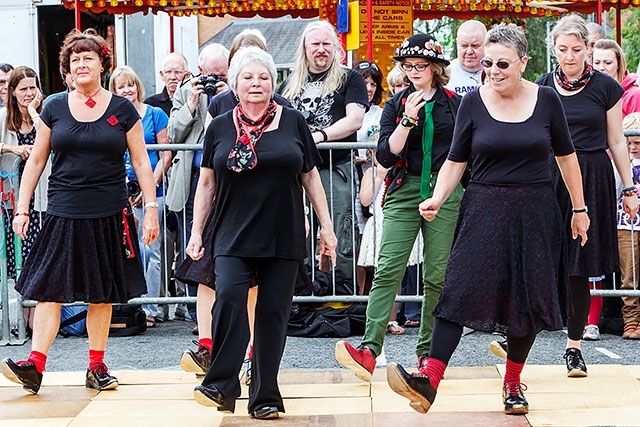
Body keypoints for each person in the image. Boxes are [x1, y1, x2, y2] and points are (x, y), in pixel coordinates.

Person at [385, 23, 589, 416]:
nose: (493, 70)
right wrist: (436, 198)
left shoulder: (546, 100)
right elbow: (455, 160)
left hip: (536, 211)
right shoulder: (473, 103)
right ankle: (428, 380)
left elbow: (567, 159)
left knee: (524, 300)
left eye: (502, 64)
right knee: (457, 290)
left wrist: (579, 211)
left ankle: (513, 383)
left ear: (523, 62)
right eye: (488, 63)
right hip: (484, 208)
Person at [0, 29, 159, 395]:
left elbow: (141, 160)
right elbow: (37, 159)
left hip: (108, 211)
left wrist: (150, 208)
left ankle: (97, 365)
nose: (82, 64)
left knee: (101, 294)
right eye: (75, 60)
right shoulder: (54, 106)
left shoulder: (122, 109)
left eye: (88, 57)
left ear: (103, 64)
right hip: (63, 210)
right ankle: (35, 365)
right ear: (67, 70)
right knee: (49, 289)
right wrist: (22, 208)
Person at [188, 47, 337, 420]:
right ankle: (222, 384)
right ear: (234, 84)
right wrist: (196, 231)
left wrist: (327, 228)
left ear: (273, 83)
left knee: (272, 314)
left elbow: (311, 176)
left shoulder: (294, 121)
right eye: (248, 77)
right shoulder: (220, 125)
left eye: (264, 77)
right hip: (231, 232)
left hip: (282, 232)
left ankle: (265, 395)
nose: (256, 84)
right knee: (229, 299)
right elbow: (206, 183)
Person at [335, 33, 463, 383]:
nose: (414, 72)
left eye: (420, 66)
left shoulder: (455, 104)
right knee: (387, 267)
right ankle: (369, 349)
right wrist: (407, 120)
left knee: (436, 275)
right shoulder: (396, 103)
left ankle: (427, 353)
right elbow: (386, 156)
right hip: (404, 187)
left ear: (436, 68)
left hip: (446, 188)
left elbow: (466, 152)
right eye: (407, 67)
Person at [176, 28, 291, 378]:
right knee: (207, 277)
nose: (254, 79)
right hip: (222, 205)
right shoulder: (220, 105)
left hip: (264, 209)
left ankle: (254, 354)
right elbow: (210, 157)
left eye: (261, 71)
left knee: (254, 284)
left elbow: (301, 168)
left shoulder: (283, 109)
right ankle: (208, 346)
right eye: (245, 65)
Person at [535, 14, 638, 377]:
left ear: (588, 48)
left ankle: (574, 348)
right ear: (553, 50)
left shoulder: (606, 88)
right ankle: (519, 332)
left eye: (577, 49)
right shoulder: (542, 86)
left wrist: (629, 187)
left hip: (592, 176)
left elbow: (616, 141)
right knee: (539, 260)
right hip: (548, 177)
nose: (569, 56)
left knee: (579, 266)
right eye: (562, 50)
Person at [278, 20, 368, 281]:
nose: (321, 49)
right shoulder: (288, 85)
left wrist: (317, 137)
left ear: (335, 48)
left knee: (340, 233)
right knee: (298, 234)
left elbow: (355, 119)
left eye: (326, 43)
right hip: (296, 172)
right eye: (315, 44)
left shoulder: (350, 78)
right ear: (304, 49)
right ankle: (300, 294)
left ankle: (343, 300)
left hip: (334, 168)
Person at [166, 43, 230, 325]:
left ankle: (223, 311)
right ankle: (197, 315)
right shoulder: (185, 92)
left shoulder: (236, 92)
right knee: (194, 244)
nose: (215, 82)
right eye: (211, 76)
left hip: (228, 181)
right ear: (200, 72)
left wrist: (227, 97)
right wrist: (192, 102)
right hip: (194, 182)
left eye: (223, 76)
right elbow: (173, 133)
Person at [109, 66, 172, 328]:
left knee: (151, 250)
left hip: (152, 192)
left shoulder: (155, 114)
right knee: (129, 252)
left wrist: (150, 185)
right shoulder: (112, 115)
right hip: (121, 193)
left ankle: (152, 307)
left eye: (130, 84)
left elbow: (166, 153)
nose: (127, 90)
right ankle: (130, 304)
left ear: (138, 86)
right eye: (121, 86)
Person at [615, 112, 640, 340]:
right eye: (629, 142)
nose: (632, 147)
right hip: (626, 225)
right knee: (628, 276)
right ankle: (630, 322)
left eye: (637, 142)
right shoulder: (619, 166)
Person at [593, 39, 640, 119]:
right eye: (597, 62)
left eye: (607, 63)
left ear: (618, 64)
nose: (601, 68)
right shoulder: (591, 92)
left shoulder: (634, 95)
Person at [445, 20, 486, 96]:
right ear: (457, 43)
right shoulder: (444, 74)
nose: (469, 51)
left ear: (486, 44)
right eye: (464, 46)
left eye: (475, 46)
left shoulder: (495, 73)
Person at [144, 52, 189, 117]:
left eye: (178, 72)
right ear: (162, 75)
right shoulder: (151, 104)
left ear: (187, 75)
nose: (172, 77)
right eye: (168, 72)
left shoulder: (193, 102)